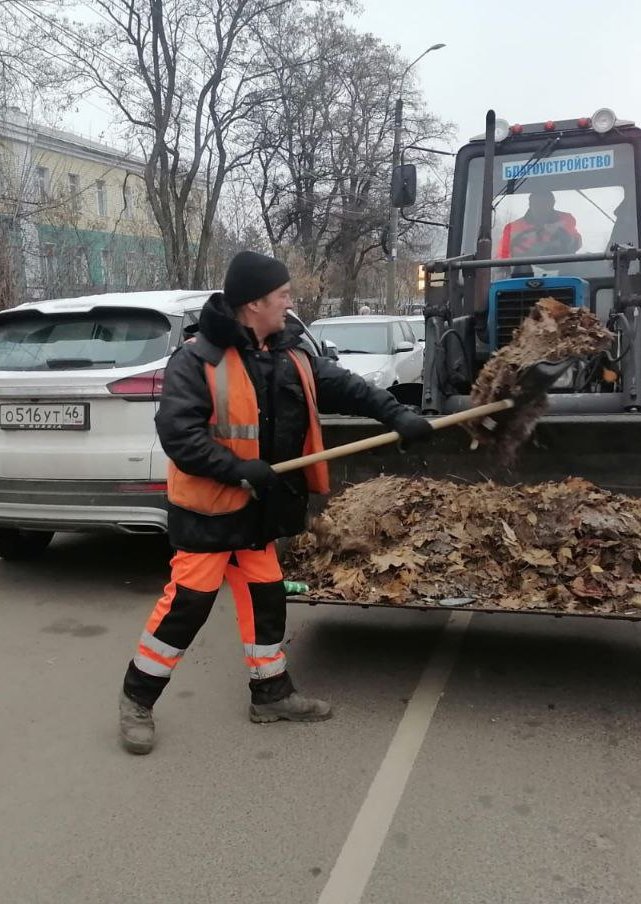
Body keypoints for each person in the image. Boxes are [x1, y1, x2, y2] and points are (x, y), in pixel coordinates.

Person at [118, 251, 434, 755]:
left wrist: (397, 416)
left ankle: (270, 694)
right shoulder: (197, 359)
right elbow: (178, 434)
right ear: (253, 303)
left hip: (259, 513)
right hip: (209, 511)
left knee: (267, 598)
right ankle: (137, 700)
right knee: (186, 607)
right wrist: (237, 468)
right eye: (283, 296)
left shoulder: (291, 356)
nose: (291, 304)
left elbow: (348, 388)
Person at [497, 189, 582, 259]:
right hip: (523, 272)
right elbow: (502, 256)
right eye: (537, 204)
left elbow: (576, 244)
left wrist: (563, 236)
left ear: (552, 204)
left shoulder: (566, 219)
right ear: (530, 205)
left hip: (562, 267)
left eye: (545, 204)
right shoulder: (512, 227)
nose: (541, 208)